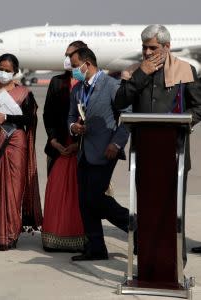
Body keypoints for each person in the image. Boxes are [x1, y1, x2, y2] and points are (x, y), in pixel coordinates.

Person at [114, 24, 201, 254]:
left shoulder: (185, 70)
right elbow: (120, 101)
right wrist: (141, 73)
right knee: (147, 210)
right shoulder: (134, 70)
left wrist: (184, 123)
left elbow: (198, 107)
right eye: (144, 47)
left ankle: (174, 265)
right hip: (144, 152)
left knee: (172, 211)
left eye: (152, 47)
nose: (147, 53)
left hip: (175, 152)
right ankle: (147, 263)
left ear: (167, 47)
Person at [0, 53, 42, 250]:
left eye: (7, 70)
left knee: (13, 189)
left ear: (15, 72)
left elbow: (30, 120)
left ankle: (10, 235)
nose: (3, 73)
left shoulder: (24, 93)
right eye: (0, 69)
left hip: (15, 145)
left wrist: (7, 118)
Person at [68, 47, 130, 261]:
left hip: (106, 151)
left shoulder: (112, 86)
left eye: (75, 66)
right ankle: (96, 247)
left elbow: (128, 117)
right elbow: (71, 116)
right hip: (84, 151)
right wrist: (73, 127)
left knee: (95, 198)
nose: (73, 70)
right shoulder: (77, 89)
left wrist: (117, 143)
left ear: (87, 63)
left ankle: (135, 225)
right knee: (85, 201)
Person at [41, 41, 87, 252]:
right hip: (59, 147)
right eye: (66, 55)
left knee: (82, 195)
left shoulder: (92, 83)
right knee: (56, 193)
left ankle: (84, 239)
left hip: (83, 148)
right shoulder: (57, 82)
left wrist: (79, 144)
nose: (68, 59)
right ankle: (54, 239)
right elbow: (48, 114)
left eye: (72, 55)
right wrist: (53, 140)